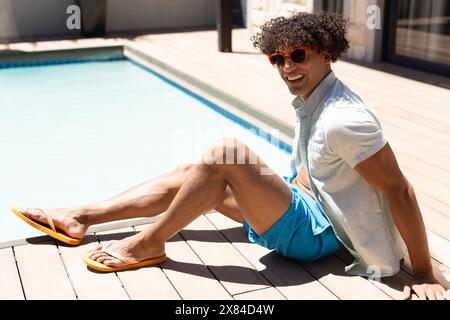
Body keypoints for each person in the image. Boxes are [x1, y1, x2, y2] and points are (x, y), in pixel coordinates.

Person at [14, 11, 448, 300]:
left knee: (225, 153)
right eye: (277, 58)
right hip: (301, 209)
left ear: (326, 53)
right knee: (195, 171)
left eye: (298, 55)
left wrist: (425, 273)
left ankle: (149, 242)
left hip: (314, 234)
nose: (287, 67)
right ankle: (81, 217)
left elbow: (400, 190)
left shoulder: (344, 119)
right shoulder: (315, 97)